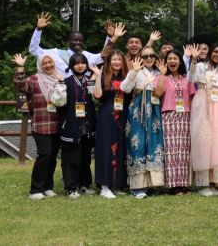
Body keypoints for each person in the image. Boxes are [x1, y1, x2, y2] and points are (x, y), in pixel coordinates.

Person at [13, 53, 62, 200]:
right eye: (45, 63)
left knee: (53, 157)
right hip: (41, 125)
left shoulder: (58, 79)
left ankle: (48, 187)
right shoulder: (34, 80)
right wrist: (21, 66)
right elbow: (21, 86)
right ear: (40, 65)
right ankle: (35, 190)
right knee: (44, 154)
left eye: (50, 62)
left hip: (57, 125)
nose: (48, 65)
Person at [120, 47, 165, 199]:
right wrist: (133, 71)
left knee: (154, 143)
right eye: (145, 56)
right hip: (138, 110)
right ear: (140, 58)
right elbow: (124, 88)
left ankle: (154, 184)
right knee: (137, 144)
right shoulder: (136, 71)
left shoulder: (160, 72)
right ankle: (138, 187)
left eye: (151, 55)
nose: (149, 58)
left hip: (155, 110)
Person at [50, 53, 97, 198]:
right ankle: (71, 187)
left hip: (87, 127)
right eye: (77, 63)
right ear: (71, 66)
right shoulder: (66, 81)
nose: (80, 65)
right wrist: (61, 84)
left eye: (83, 63)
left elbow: (96, 100)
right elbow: (59, 102)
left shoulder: (90, 80)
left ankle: (85, 184)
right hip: (70, 126)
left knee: (85, 157)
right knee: (70, 158)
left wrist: (93, 83)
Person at [186, 43, 218, 196]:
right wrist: (193, 60)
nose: (217, 55)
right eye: (215, 52)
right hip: (202, 103)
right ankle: (202, 183)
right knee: (203, 141)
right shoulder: (200, 66)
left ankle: (214, 182)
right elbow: (191, 78)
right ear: (210, 53)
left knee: (217, 143)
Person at [154, 50, 196, 196]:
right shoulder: (163, 78)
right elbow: (158, 93)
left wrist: (192, 116)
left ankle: (183, 184)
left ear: (180, 62)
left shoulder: (187, 78)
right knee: (171, 152)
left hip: (185, 116)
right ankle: (173, 186)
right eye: (169, 59)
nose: (172, 61)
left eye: (175, 58)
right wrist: (161, 73)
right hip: (169, 115)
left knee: (183, 152)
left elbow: (190, 98)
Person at [91, 49, 131, 199]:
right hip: (106, 117)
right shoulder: (103, 76)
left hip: (123, 116)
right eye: (114, 59)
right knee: (105, 149)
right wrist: (98, 77)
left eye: (119, 59)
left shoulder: (126, 77)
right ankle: (104, 185)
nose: (116, 62)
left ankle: (118, 184)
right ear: (109, 62)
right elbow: (97, 96)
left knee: (121, 149)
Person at [29, 12, 112, 77]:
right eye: (75, 40)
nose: (78, 43)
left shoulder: (86, 56)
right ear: (68, 41)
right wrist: (38, 30)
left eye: (80, 40)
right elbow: (34, 50)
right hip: (61, 92)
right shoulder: (56, 53)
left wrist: (110, 37)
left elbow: (104, 55)